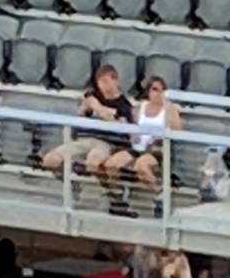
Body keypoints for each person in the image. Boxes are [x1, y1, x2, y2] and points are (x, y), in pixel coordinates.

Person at [39, 63, 136, 192]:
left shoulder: (124, 106)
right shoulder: (93, 96)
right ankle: (71, 185)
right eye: (100, 82)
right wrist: (92, 106)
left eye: (106, 81)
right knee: (50, 160)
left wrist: (100, 110)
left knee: (93, 163)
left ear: (115, 81)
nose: (103, 86)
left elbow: (122, 129)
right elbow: (84, 108)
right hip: (83, 140)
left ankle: (113, 190)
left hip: (105, 143)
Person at [124, 75, 183, 204]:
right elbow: (132, 126)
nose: (158, 93)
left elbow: (177, 129)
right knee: (113, 163)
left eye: (161, 90)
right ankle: (118, 194)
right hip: (138, 147)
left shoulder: (169, 109)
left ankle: (160, 194)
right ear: (148, 91)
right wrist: (133, 135)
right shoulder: (141, 107)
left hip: (157, 148)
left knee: (141, 165)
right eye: (155, 89)